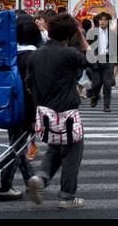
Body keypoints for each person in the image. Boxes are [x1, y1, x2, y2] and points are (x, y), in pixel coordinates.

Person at [25, 12, 88, 208]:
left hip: (44, 109)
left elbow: (29, 83)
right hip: (66, 109)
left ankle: (41, 177)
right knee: (72, 149)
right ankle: (67, 197)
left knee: (54, 146)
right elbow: (91, 59)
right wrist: (82, 36)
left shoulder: (35, 55)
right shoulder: (70, 54)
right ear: (70, 34)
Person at [0, 14, 40, 201]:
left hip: (8, 107)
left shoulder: (7, 56)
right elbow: (33, 91)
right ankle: (26, 181)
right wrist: (33, 117)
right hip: (26, 110)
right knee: (17, 147)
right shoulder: (33, 58)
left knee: (17, 145)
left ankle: (8, 184)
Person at [86, 12, 117, 112]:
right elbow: (88, 46)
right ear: (98, 21)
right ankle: (94, 96)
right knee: (96, 83)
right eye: (101, 20)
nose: (103, 22)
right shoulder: (92, 32)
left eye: (105, 20)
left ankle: (106, 106)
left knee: (107, 84)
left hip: (108, 60)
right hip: (96, 60)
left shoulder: (112, 34)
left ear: (108, 22)